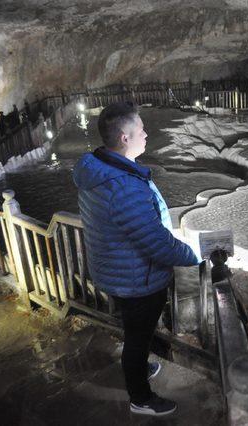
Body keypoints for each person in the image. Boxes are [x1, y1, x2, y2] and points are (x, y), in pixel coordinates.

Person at [73, 101, 198, 416]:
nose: (147, 134)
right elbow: (154, 242)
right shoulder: (123, 186)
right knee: (138, 336)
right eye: (141, 129)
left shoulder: (97, 167)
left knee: (135, 332)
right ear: (125, 138)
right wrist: (192, 254)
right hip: (135, 277)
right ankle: (141, 398)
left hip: (116, 269)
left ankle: (138, 367)